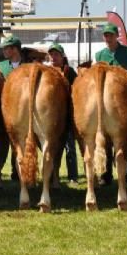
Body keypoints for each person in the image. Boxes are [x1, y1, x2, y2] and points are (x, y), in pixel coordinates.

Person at [94, 23, 127, 186]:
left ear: (117, 36)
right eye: (106, 35)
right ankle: (105, 174)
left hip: (124, 101)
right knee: (104, 136)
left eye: (111, 35)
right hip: (104, 102)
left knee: (126, 136)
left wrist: (121, 80)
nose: (108, 38)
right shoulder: (99, 55)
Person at [0, 35, 23, 182]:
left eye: (6, 48)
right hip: (4, 110)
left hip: (22, 110)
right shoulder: (0, 66)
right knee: (2, 143)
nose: (3, 51)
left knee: (20, 143)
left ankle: (17, 172)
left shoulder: (28, 65)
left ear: (15, 49)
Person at [47, 43, 78, 184]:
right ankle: (53, 175)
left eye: (56, 54)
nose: (53, 57)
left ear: (62, 56)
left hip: (67, 116)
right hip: (51, 116)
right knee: (51, 147)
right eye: (51, 54)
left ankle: (73, 176)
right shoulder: (46, 72)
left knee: (70, 147)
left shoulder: (70, 71)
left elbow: (77, 90)